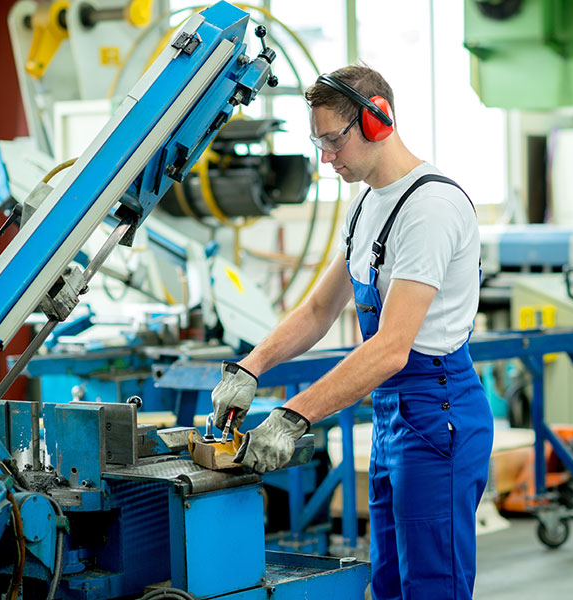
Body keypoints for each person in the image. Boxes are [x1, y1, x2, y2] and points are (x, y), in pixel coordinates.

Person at [210, 65, 494, 599]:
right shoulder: (365, 201)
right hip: (393, 417)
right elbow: (320, 309)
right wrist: (250, 366)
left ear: (379, 119)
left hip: (438, 416)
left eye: (334, 141)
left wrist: (293, 415)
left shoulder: (430, 208)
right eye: (317, 143)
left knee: (432, 586)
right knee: (388, 582)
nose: (325, 157)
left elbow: (389, 349)